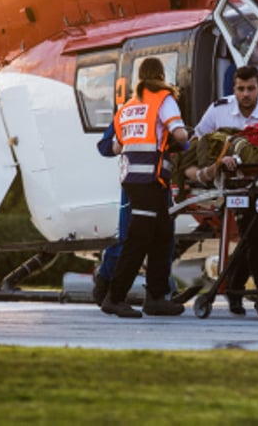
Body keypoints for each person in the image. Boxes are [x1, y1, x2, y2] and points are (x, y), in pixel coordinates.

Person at [194, 65, 258, 315]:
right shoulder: (219, 110)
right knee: (254, 235)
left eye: (251, 89)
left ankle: (239, 290)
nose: (246, 94)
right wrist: (215, 164)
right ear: (234, 89)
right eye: (241, 89)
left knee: (254, 236)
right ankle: (255, 290)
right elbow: (199, 142)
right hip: (231, 184)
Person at [101, 57, 189, 318]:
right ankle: (114, 297)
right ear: (162, 76)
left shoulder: (128, 106)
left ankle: (156, 297)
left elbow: (116, 146)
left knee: (163, 235)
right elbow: (180, 134)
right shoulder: (164, 99)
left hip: (135, 180)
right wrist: (183, 142)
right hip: (149, 180)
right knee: (138, 239)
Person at [92, 122, 131, 306]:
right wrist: (118, 146)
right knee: (126, 237)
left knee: (164, 239)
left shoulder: (167, 108)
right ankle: (105, 281)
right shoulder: (127, 113)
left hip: (162, 181)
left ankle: (159, 293)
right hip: (135, 183)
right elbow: (105, 147)